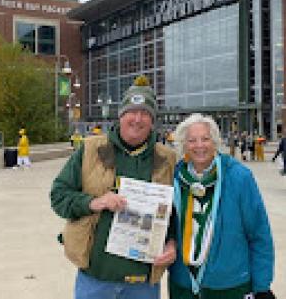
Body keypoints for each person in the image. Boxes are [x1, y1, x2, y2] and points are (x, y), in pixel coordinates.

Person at [50, 75, 177, 299]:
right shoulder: (91, 150)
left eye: (145, 113)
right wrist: (95, 202)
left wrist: (172, 243)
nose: (137, 119)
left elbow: (176, 212)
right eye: (132, 111)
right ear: (120, 116)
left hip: (143, 284)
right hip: (95, 280)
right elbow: (58, 196)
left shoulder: (167, 159)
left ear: (153, 121)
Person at [168, 113, 275, 299]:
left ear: (215, 141)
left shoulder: (239, 177)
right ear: (184, 145)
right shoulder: (173, 178)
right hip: (183, 286)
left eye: (205, 139)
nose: (199, 146)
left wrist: (262, 285)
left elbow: (259, 234)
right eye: (192, 140)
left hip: (230, 287)